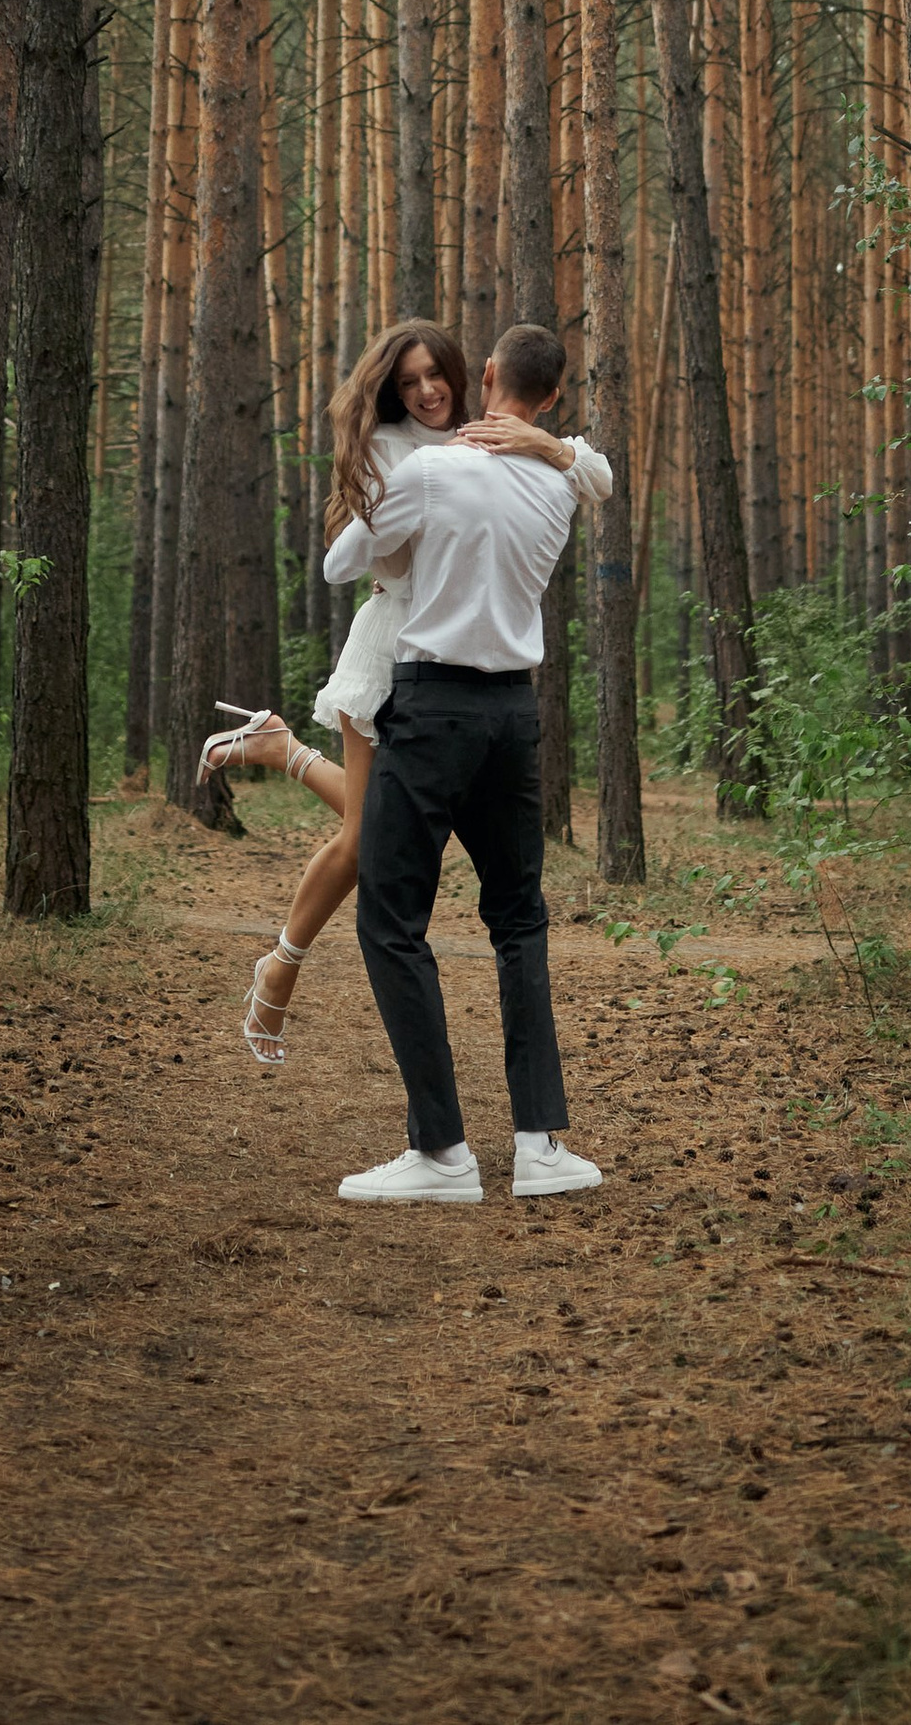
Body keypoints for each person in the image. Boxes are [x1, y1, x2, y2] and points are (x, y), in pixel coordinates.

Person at [195, 317, 610, 1072]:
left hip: (452, 670)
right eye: (408, 381)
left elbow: (595, 477)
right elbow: (358, 555)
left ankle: (280, 748)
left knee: (380, 830)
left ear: (466, 375)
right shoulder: (393, 448)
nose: (424, 391)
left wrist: (551, 445)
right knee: (364, 842)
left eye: (434, 377)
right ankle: (280, 967)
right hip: (395, 649)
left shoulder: (497, 435)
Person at [324, 319, 605, 1206]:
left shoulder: (428, 472)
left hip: (433, 705)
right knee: (519, 920)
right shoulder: (561, 482)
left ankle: (442, 1151)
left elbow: (343, 564)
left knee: (391, 917)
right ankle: (539, 1145)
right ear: (552, 396)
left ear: (486, 377)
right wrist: (554, 448)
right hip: (514, 714)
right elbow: (594, 472)